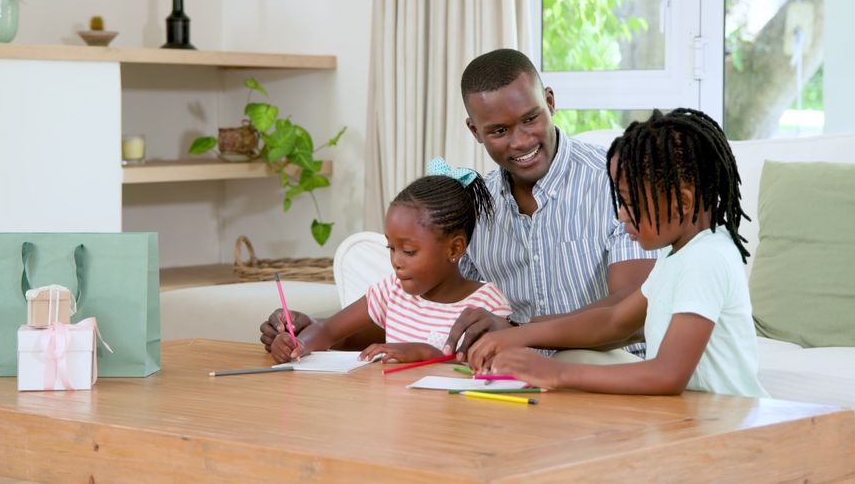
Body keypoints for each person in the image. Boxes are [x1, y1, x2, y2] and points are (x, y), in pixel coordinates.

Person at [260, 48, 655, 362]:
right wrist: (319, 332)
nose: (520, 141)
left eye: (530, 119)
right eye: (498, 130)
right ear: (474, 131)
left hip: (605, 367)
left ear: (550, 102)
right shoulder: (472, 206)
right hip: (501, 379)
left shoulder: (616, 184)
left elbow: (629, 313)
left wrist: (518, 332)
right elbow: (429, 318)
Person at [466, 108, 769, 398]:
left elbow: (668, 375)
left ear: (683, 203)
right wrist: (518, 334)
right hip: (688, 414)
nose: (621, 215)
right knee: (575, 358)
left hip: (726, 417)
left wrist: (555, 373)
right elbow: (614, 321)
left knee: (569, 369)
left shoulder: (705, 259)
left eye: (630, 203)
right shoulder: (677, 255)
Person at [267, 159, 512, 364]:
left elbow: (494, 369)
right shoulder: (391, 291)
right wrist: (297, 345)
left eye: (409, 251)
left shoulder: (487, 304)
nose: (396, 261)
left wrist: (427, 354)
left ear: (454, 248)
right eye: (391, 248)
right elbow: (329, 329)